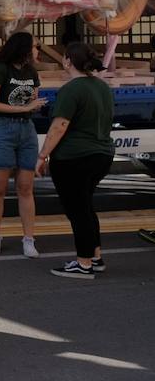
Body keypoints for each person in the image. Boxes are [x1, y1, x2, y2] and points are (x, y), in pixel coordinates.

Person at [38, 41, 116, 279]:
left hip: (74, 157)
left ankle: (83, 264)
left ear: (68, 61)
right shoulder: (101, 87)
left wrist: (42, 155)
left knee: (77, 211)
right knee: (86, 207)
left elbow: (60, 125)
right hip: (102, 153)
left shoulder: (71, 89)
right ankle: (95, 256)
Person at [0, 32, 45, 257]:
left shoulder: (31, 72)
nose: (38, 51)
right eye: (36, 47)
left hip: (26, 129)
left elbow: (32, 100)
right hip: (2, 128)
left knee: (26, 187)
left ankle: (29, 239)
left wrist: (33, 106)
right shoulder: (1, 69)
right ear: (24, 49)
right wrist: (25, 108)